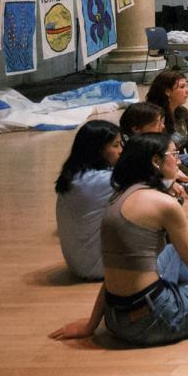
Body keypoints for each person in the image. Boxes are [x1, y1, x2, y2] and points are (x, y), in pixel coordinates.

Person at [49, 134, 188, 345]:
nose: (179, 160)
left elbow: (113, 272)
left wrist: (91, 324)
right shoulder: (164, 204)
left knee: (172, 251)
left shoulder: (117, 197)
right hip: (156, 318)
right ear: (156, 161)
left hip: (115, 318)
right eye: (174, 154)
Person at [54, 120, 122, 280]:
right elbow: (146, 181)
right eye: (116, 145)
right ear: (98, 150)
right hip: (96, 267)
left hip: (78, 263)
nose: (121, 150)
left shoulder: (75, 174)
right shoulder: (102, 181)